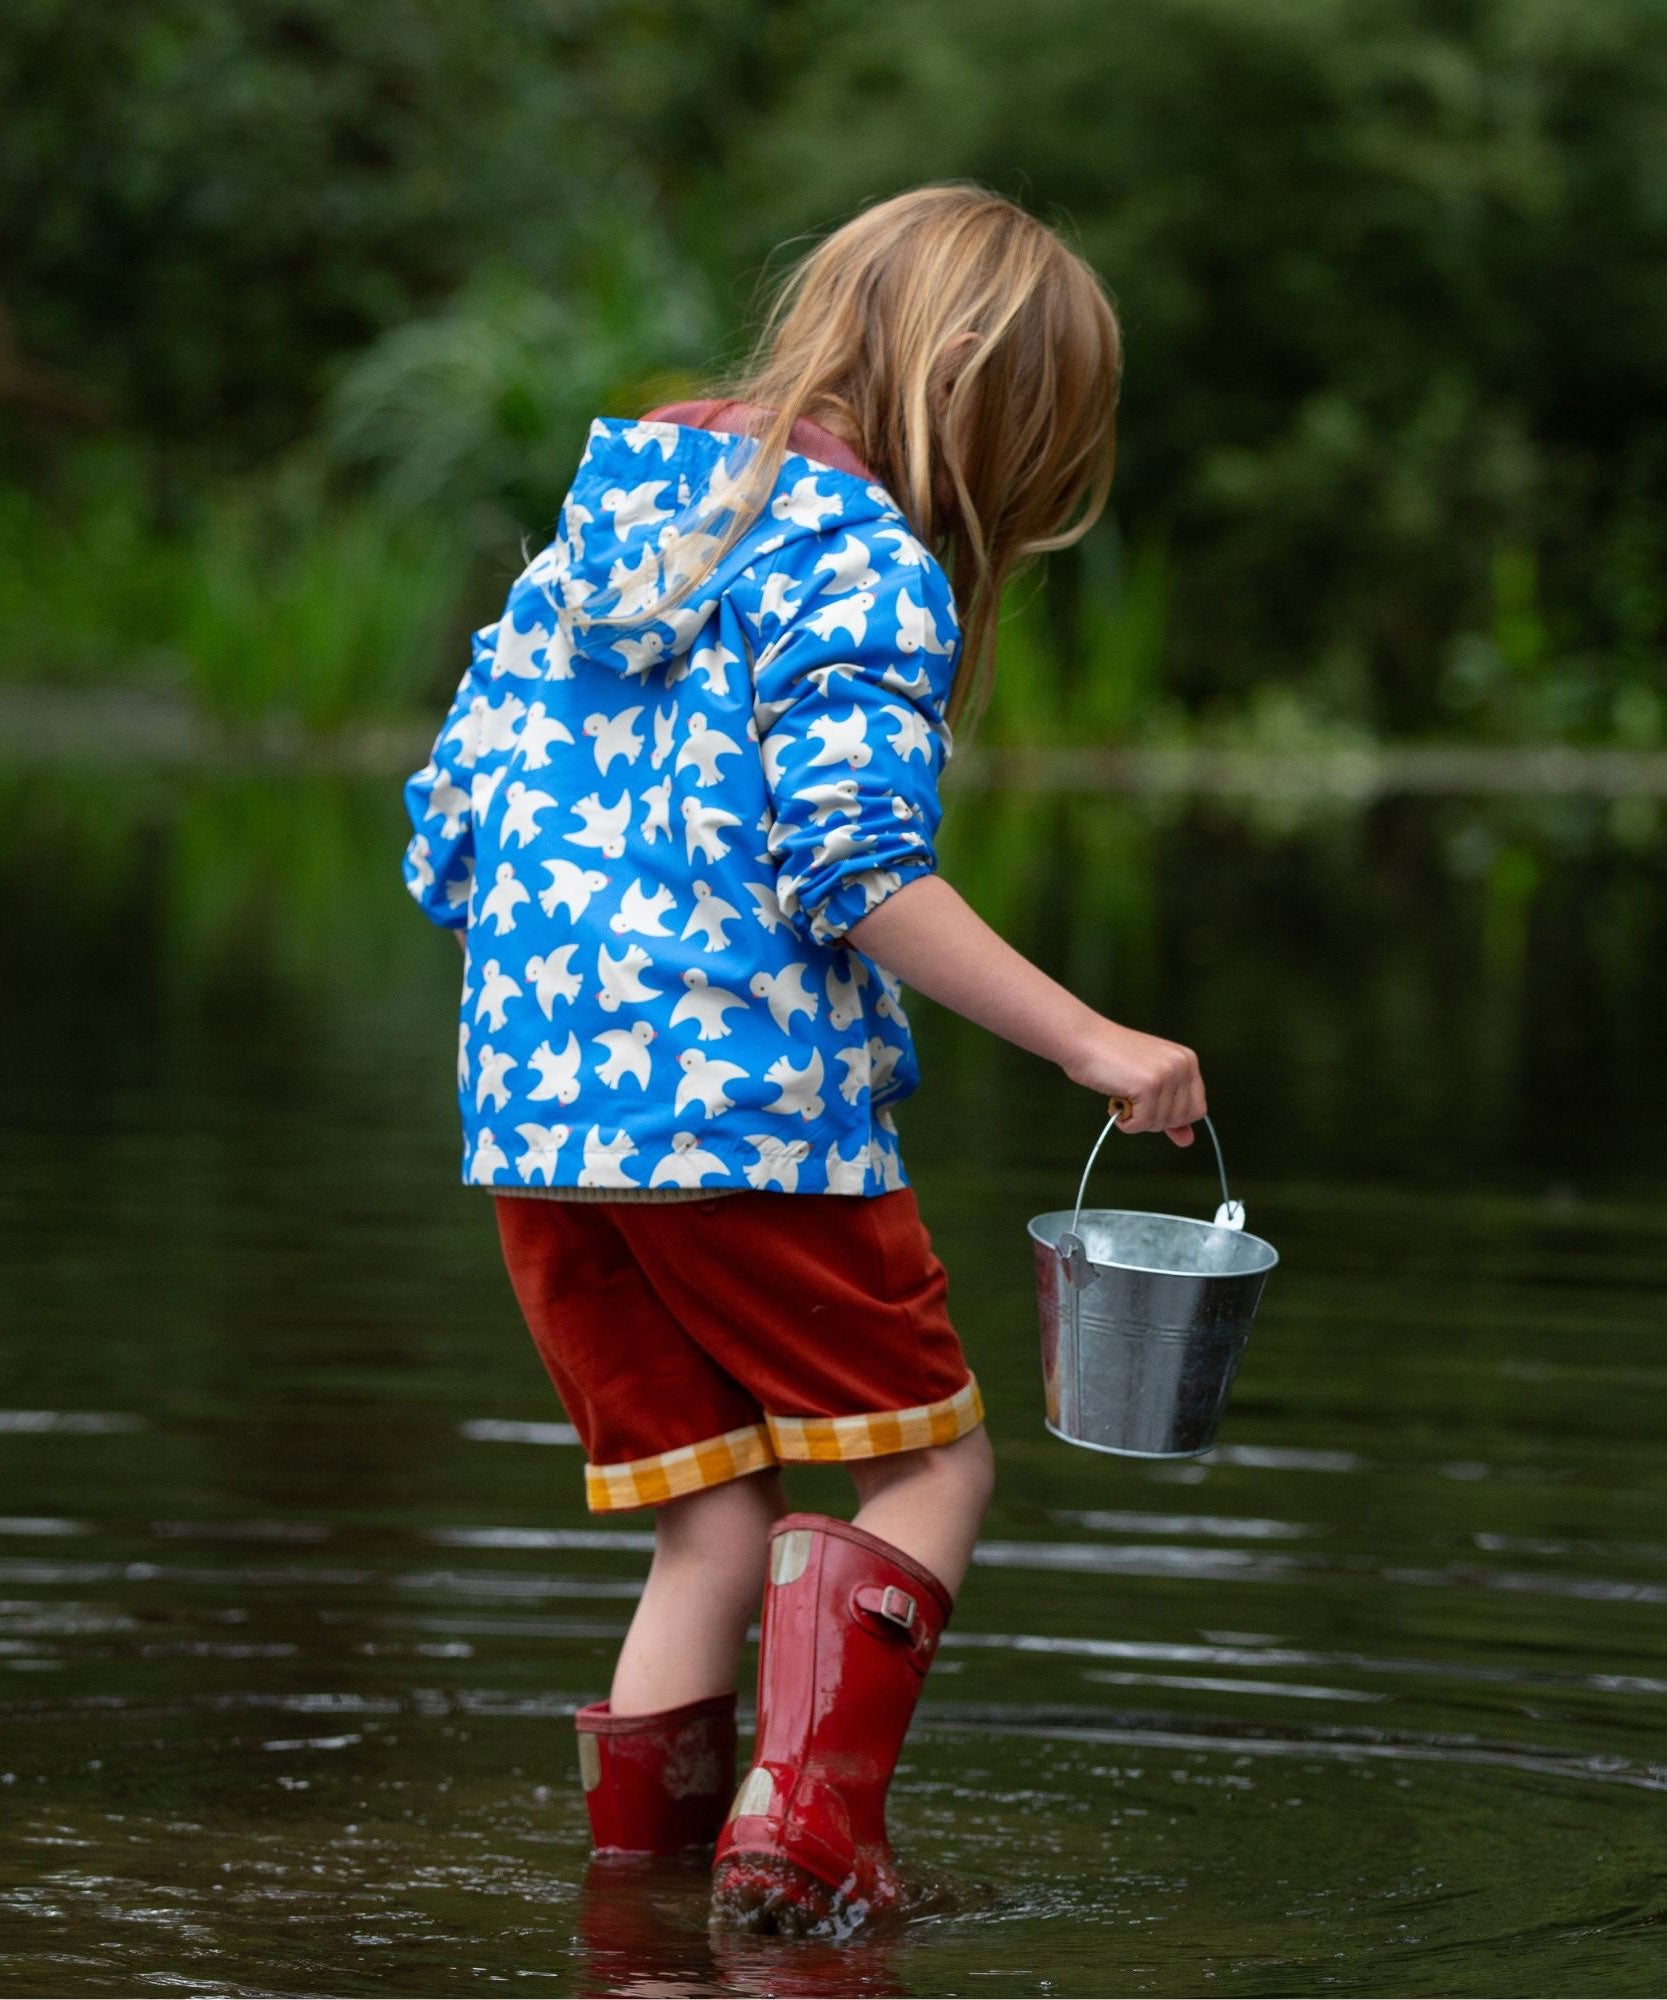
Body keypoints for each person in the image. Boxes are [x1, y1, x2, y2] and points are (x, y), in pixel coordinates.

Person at [400, 183, 1206, 1933]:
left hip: (537, 1133)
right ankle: (805, 1841)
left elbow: (445, 836)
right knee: (935, 1463)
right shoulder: (863, 562)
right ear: (990, 415)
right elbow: (859, 875)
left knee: (710, 1515)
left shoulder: (595, 539)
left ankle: (637, 1903)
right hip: (747, 1124)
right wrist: (1093, 1040)